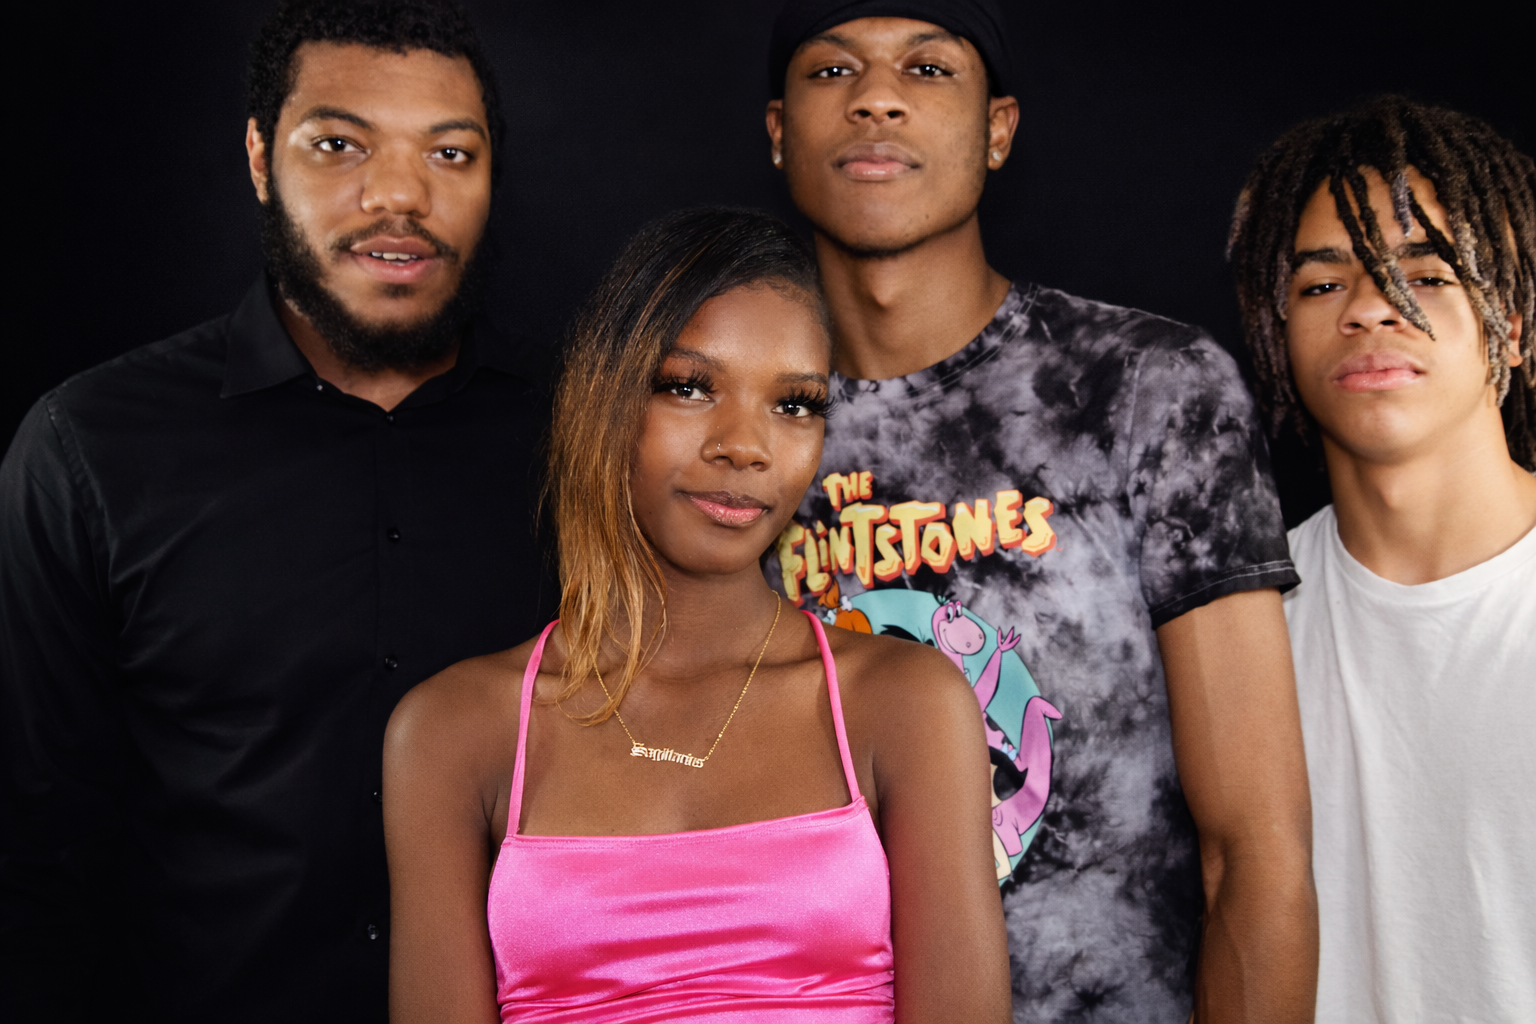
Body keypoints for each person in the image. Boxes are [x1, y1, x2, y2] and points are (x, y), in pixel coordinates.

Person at [760, 1, 1318, 1019]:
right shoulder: (725, 426)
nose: (877, 98)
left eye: (928, 69)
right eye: (832, 71)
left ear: (998, 129)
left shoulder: (1145, 388)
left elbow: (1256, 850)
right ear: (778, 132)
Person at [0, 2, 554, 1020]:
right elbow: (38, 857)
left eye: (450, 152)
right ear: (260, 158)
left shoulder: (585, 435)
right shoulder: (90, 449)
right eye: (340, 145)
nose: (401, 194)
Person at [383, 207, 1012, 1023]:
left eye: (795, 404)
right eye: (689, 387)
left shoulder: (907, 703)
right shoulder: (451, 731)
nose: (745, 445)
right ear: (602, 397)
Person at [1228, 96, 1536, 1022]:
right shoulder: (1240, 629)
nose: (1369, 309)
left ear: (1515, 324)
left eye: (1426, 275)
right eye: (1321, 286)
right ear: (1277, 336)